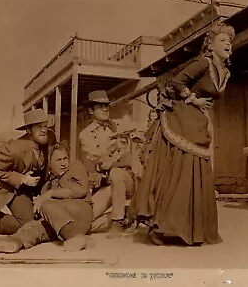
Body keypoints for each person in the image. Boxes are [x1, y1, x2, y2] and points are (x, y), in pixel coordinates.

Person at [128, 21, 235, 246]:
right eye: (222, 40)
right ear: (210, 45)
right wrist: (193, 99)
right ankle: (163, 227)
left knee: (197, 174)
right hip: (182, 119)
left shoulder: (224, 72)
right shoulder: (202, 63)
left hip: (198, 123)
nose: (227, 44)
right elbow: (177, 82)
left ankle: (193, 230)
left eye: (229, 41)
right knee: (182, 173)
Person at [0, 143, 93, 253]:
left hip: (80, 212)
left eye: (65, 159)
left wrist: (50, 194)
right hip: (60, 223)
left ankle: (74, 237)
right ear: (50, 165)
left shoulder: (75, 167)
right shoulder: (47, 185)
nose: (63, 163)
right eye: (58, 160)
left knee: (46, 205)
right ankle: (13, 242)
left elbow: (80, 191)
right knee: (35, 226)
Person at [0, 109, 55, 235]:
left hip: (38, 188)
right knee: (28, 226)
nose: (44, 130)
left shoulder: (49, 138)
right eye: (39, 127)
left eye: (45, 126)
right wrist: (22, 179)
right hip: (16, 190)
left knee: (47, 219)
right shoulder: (15, 149)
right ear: (28, 130)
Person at [79, 90, 135, 239]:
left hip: (129, 179)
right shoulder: (86, 134)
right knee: (84, 222)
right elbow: (97, 160)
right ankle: (127, 215)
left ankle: (117, 221)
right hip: (107, 184)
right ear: (91, 110)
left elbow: (129, 154)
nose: (105, 109)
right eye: (100, 106)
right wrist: (114, 148)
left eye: (107, 106)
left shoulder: (119, 125)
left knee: (117, 173)